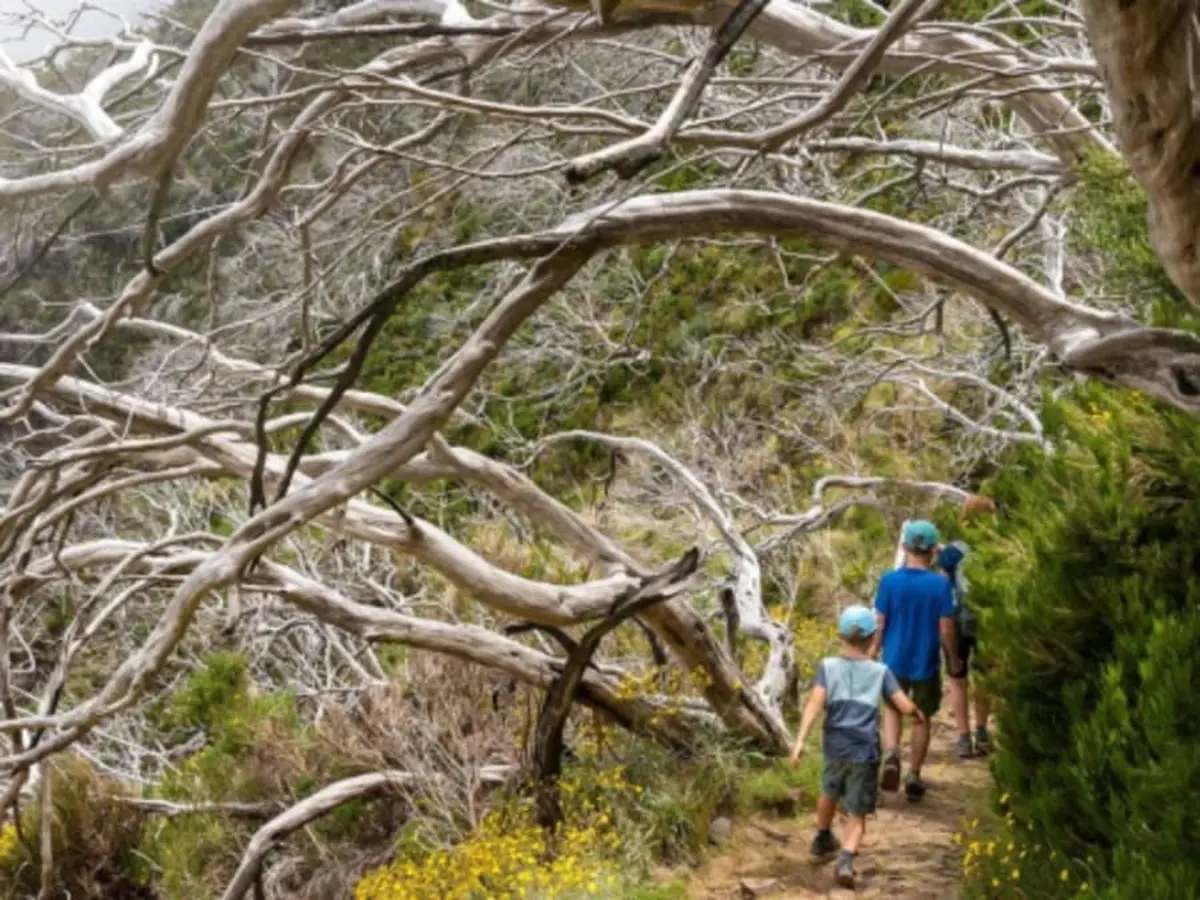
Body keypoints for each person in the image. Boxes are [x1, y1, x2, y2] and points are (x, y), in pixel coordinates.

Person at [790, 605, 925, 889]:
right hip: (864, 750)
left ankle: (822, 836)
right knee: (858, 810)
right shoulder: (880, 671)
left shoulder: (827, 666)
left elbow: (815, 703)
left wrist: (800, 740)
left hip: (834, 746)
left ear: (841, 636)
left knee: (829, 791)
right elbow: (902, 705)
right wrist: (917, 713)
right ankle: (846, 859)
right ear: (873, 638)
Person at [871, 519, 961, 802]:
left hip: (894, 660)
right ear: (934, 550)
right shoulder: (940, 585)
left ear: (905, 546)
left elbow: (880, 622)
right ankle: (913, 775)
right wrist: (953, 658)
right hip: (926, 662)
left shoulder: (889, 581)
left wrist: (873, 652)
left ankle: (892, 754)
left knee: (893, 709)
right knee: (922, 717)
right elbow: (946, 628)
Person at [937, 540, 993, 758]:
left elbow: (944, 581)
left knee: (957, 679)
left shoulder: (950, 554)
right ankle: (982, 732)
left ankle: (963, 737)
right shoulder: (985, 548)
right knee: (983, 677)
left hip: (955, 623)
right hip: (983, 621)